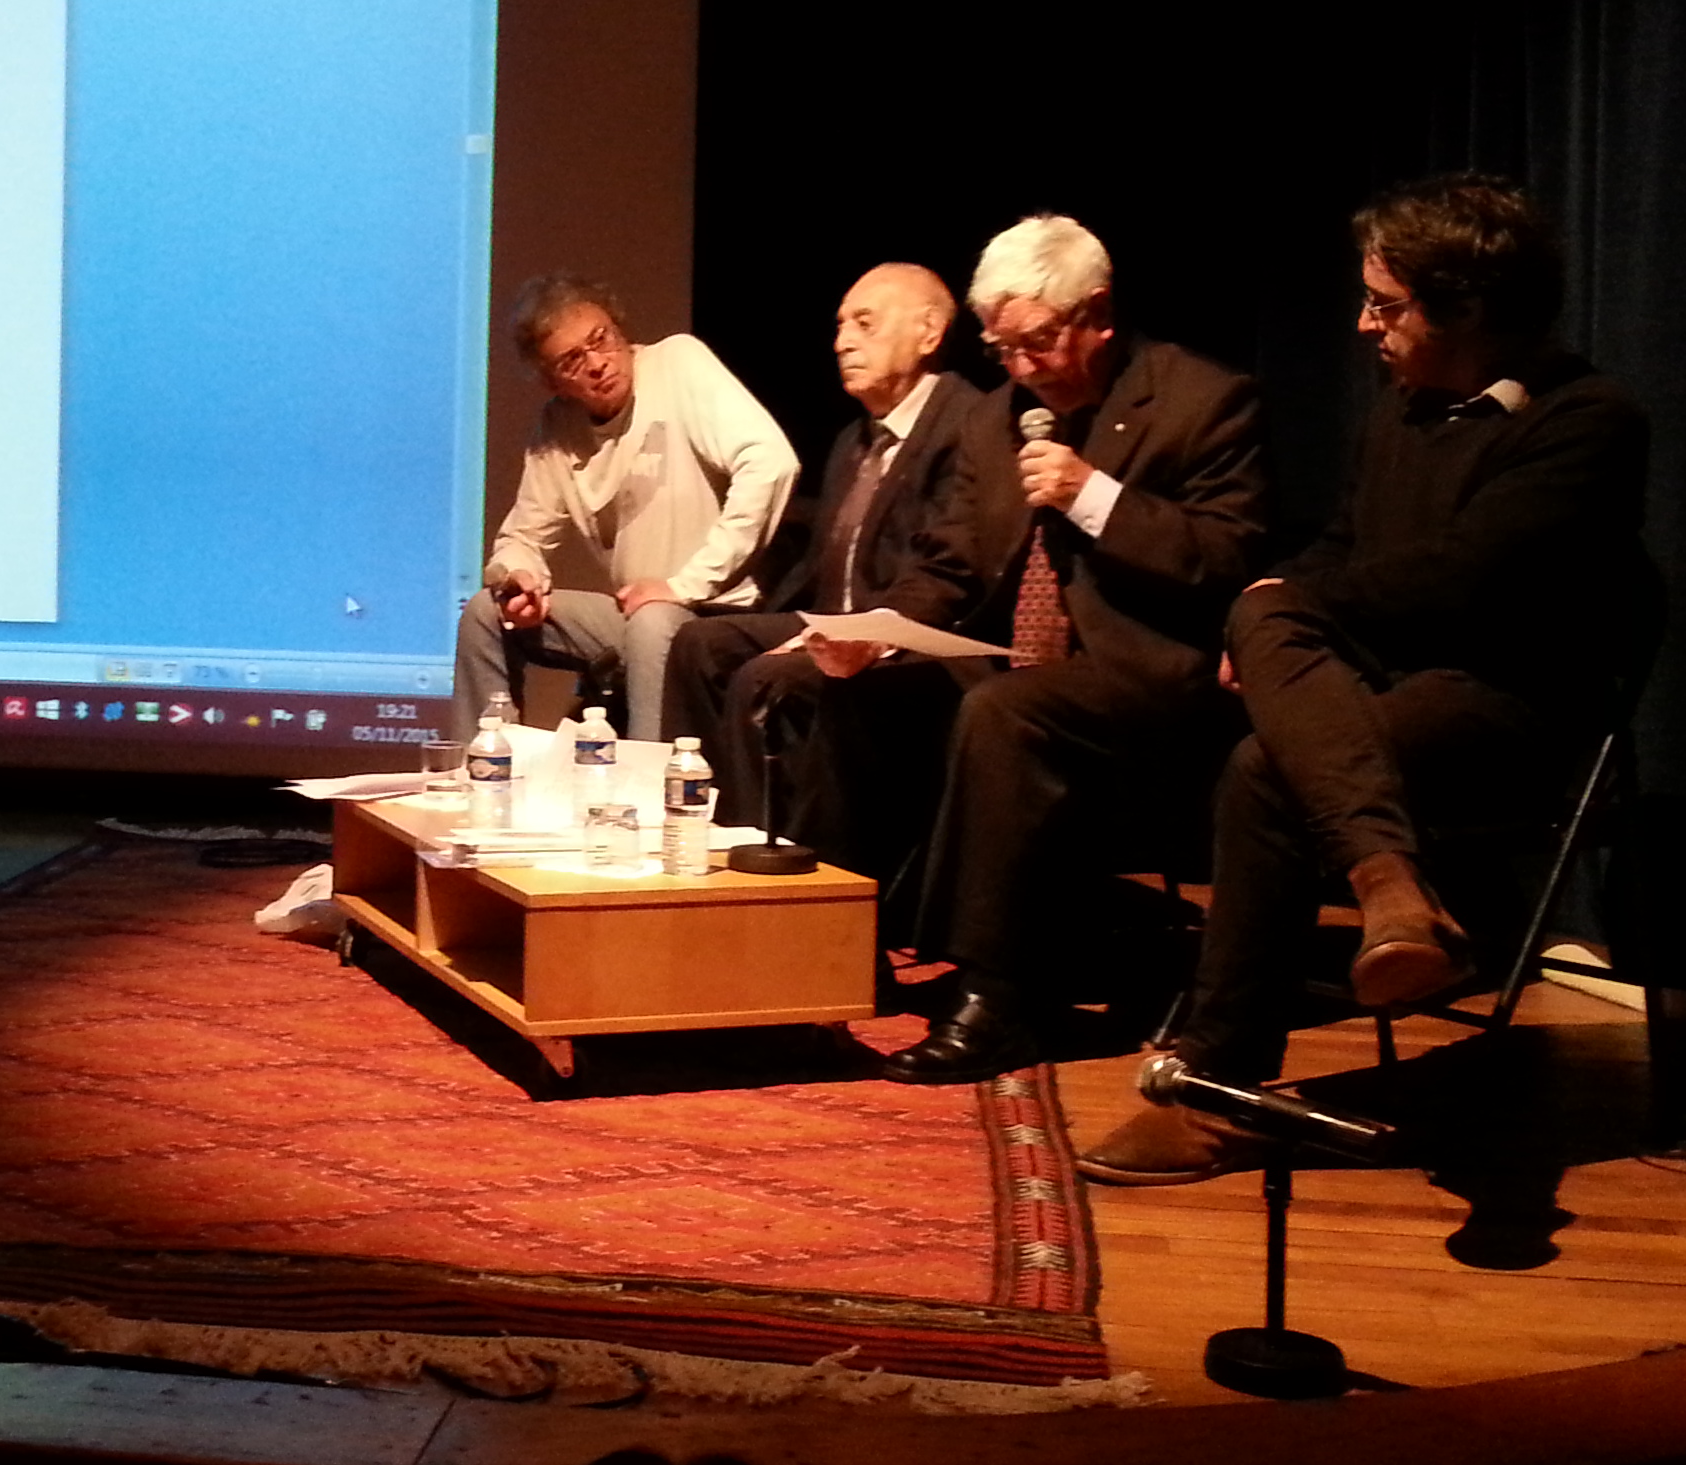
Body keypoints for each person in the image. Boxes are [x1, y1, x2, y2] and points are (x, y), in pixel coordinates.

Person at [1077, 176, 1651, 1181]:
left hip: (1508, 708)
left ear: (1465, 307)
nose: (1361, 325)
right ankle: (1389, 894)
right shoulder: (1403, 410)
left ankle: (1219, 1081)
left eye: (1385, 304)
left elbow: (1467, 583)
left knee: (1265, 767)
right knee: (1266, 620)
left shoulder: (1589, 420)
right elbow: (1341, 547)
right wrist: (1277, 605)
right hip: (1379, 691)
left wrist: (1280, 610)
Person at [877, 214, 1270, 1084]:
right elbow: (949, 562)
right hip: (1016, 662)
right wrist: (874, 635)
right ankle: (840, 951)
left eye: (1038, 342)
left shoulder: (1202, 400)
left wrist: (1094, 496)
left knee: (1005, 714)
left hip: (1153, 671)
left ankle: (994, 999)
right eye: (1001, 347)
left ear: (1097, 313)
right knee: (833, 687)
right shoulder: (996, 417)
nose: (1021, 366)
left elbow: (1226, 559)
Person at [656, 263, 991, 838]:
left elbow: (947, 571)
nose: (842, 342)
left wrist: (862, 635)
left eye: (865, 323)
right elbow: (816, 571)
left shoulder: (968, 425)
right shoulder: (852, 440)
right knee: (699, 643)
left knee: (766, 677)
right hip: (835, 618)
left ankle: (764, 852)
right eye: (840, 326)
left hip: (917, 638)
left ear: (929, 333)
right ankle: (703, 832)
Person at [453, 276, 797, 740]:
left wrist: (684, 586)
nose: (597, 364)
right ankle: (484, 765)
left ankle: (649, 778)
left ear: (619, 328)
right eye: (572, 360)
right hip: (636, 616)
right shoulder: (558, 426)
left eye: (601, 339)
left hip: (717, 615)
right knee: (486, 613)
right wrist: (520, 579)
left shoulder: (677, 363)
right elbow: (522, 537)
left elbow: (771, 462)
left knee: (653, 622)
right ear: (552, 381)